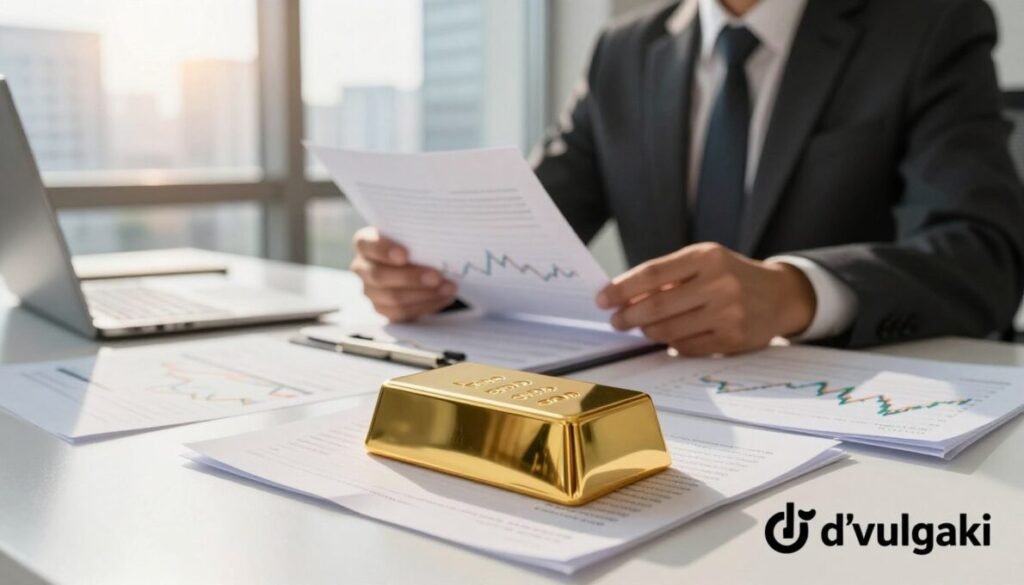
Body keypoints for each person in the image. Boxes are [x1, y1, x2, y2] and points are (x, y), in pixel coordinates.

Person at [350, 0, 1024, 356]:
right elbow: (530, 223)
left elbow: (984, 256)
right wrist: (428, 272)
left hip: (861, 432)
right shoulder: (625, 49)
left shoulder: (929, 24)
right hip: (670, 419)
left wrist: (795, 293)